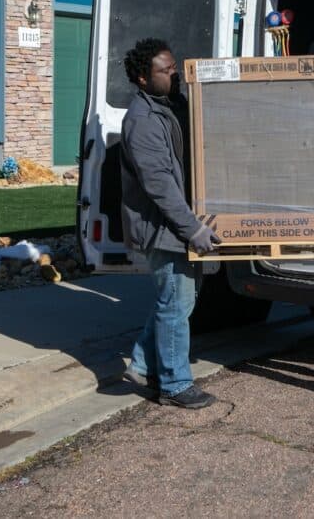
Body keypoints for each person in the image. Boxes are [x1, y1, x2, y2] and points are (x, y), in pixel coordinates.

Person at [118, 37, 220, 409]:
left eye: (175, 67)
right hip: (164, 228)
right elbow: (159, 184)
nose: (174, 75)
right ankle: (175, 385)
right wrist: (192, 228)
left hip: (175, 224)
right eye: (166, 70)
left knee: (177, 301)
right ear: (143, 79)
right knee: (175, 304)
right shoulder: (142, 121)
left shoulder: (171, 106)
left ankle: (143, 365)